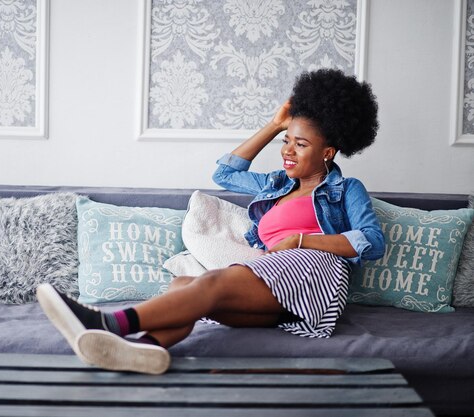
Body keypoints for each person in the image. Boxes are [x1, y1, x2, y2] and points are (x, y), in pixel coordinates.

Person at [36, 68, 385, 375]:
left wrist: (301, 240)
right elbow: (224, 172)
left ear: (327, 152)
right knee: (182, 288)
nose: (287, 151)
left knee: (210, 284)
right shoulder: (275, 184)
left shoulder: (345, 189)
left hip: (313, 274)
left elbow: (372, 240)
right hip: (277, 280)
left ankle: (108, 323)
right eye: (286, 141)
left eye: (301, 144)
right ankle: (145, 349)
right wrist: (275, 124)